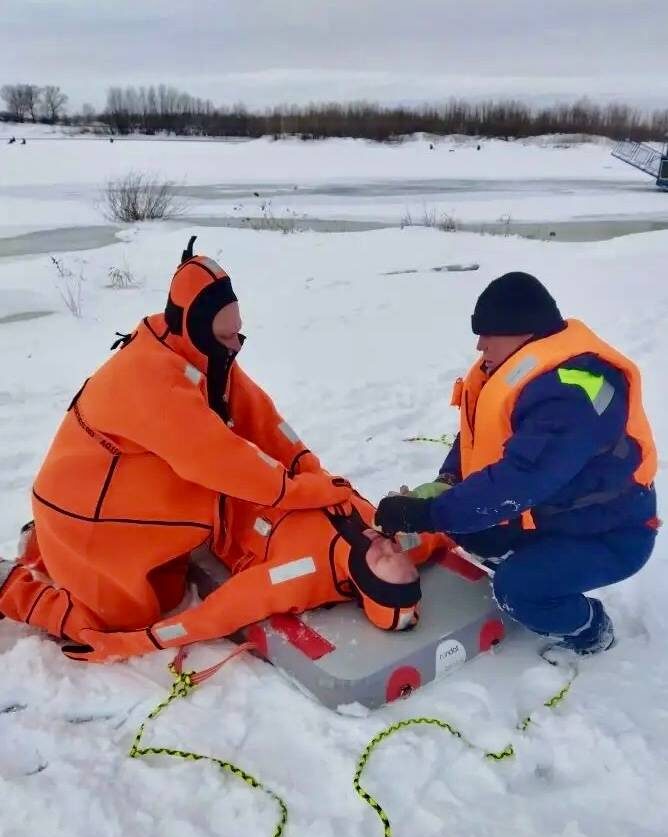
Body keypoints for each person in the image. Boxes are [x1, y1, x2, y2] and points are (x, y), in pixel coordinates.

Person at [0, 236, 359, 658]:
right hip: (85, 513)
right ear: (196, 325)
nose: (234, 345)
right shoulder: (152, 379)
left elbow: (260, 417)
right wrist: (300, 491)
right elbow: (220, 458)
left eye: (237, 334)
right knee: (118, 616)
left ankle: (48, 544)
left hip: (106, 498)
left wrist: (309, 468)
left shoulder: (198, 347)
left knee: (171, 578)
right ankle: (14, 590)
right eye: (226, 335)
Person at [376, 272, 658, 658]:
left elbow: (520, 480)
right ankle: (535, 571)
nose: (479, 345)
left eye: (487, 333)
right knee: (469, 526)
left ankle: (590, 629)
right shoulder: (513, 372)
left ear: (523, 331)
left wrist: (428, 513)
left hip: (609, 534)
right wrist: (448, 480)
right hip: (554, 515)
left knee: (517, 589)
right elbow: (478, 436)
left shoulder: (572, 393)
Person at [1, 494, 446, 661]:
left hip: (208, 503)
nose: (388, 543)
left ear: (368, 583)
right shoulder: (398, 542)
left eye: (385, 556)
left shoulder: (300, 576)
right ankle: (48, 534)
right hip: (264, 469)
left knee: (133, 590)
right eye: (396, 548)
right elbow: (435, 539)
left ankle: (19, 585)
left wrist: (127, 643)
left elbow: (213, 617)